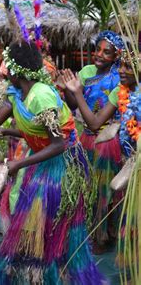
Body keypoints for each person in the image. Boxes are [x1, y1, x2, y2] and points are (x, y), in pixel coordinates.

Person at [0, 40, 105, 283]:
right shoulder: (18, 92)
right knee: (32, 223)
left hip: (62, 165)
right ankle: (36, 274)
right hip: (42, 162)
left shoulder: (41, 96)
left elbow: (58, 143)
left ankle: (53, 274)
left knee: (48, 226)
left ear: (17, 70)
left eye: (7, 65)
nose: (4, 69)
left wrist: (18, 164)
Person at [62, 30, 125, 253]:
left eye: (106, 52)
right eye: (97, 49)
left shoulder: (119, 81)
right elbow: (73, 104)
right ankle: (90, 230)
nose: (98, 55)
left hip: (106, 141)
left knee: (103, 189)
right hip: (86, 138)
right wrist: (68, 89)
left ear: (116, 56)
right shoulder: (88, 71)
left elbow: (97, 123)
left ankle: (102, 235)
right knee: (86, 186)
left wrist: (77, 93)